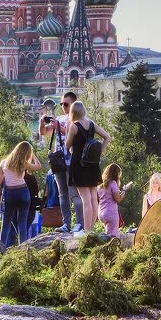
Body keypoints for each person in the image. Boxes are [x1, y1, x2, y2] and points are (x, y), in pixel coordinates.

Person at [64, 100, 111, 237]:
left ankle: (86, 231)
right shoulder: (91, 124)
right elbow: (107, 137)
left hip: (79, 165)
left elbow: (67, 146)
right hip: (92, 165)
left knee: (86, 199)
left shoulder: (74, 127)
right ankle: (91, 230)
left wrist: (67, 129)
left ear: (73, 112)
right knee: (93, 198)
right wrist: (98, 153)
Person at [39, 93, 83, 233]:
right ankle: (66, 224)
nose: (63, 107)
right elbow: (44, 133)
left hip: (71, 161)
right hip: (58, 161)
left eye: (66, 104)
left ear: (73, 105)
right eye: (61, 104)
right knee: (62, 194)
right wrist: (42, 123)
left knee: (74, 193)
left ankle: (80, 223)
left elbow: (74, 135)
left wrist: (59, 127)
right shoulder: (59, 118)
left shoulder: (78, 120)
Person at [0, 141, 42, 249]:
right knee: (22, 224)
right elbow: (38, 166)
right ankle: (22, 251)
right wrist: (33, 155)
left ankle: (1, 250)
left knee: (5, 224)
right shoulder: (23, 164)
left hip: (10, 194)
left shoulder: (4, 163)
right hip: (23, 193)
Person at [98, 164, 132, 237]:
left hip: (101, 212)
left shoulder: (101, 184)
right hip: (110, 212)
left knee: (107, 234)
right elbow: (118, 199)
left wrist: (121, 190)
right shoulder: (112, 183)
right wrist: (125, 190)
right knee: (113, 237)